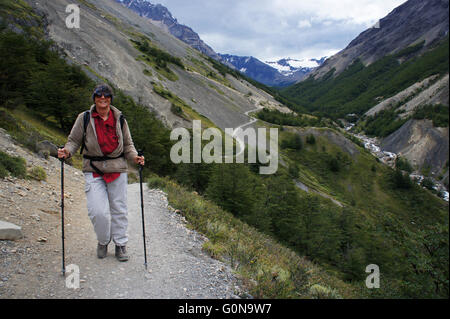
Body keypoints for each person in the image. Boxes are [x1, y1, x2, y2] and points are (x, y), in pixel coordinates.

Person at [58, 83, 144, 262]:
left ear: (111, 98)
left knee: (119, 209)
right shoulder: (85, 118)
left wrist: (135, 158)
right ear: (94, 98)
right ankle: (103, 241)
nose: (102, 98)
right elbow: (74, 141)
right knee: (98, 211)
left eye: (106, 95)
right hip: (93, 168)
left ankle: (120, 244)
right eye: (99, 95)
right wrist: (67, 151)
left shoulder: (120, 118)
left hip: (117, 167)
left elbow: (128, 145)